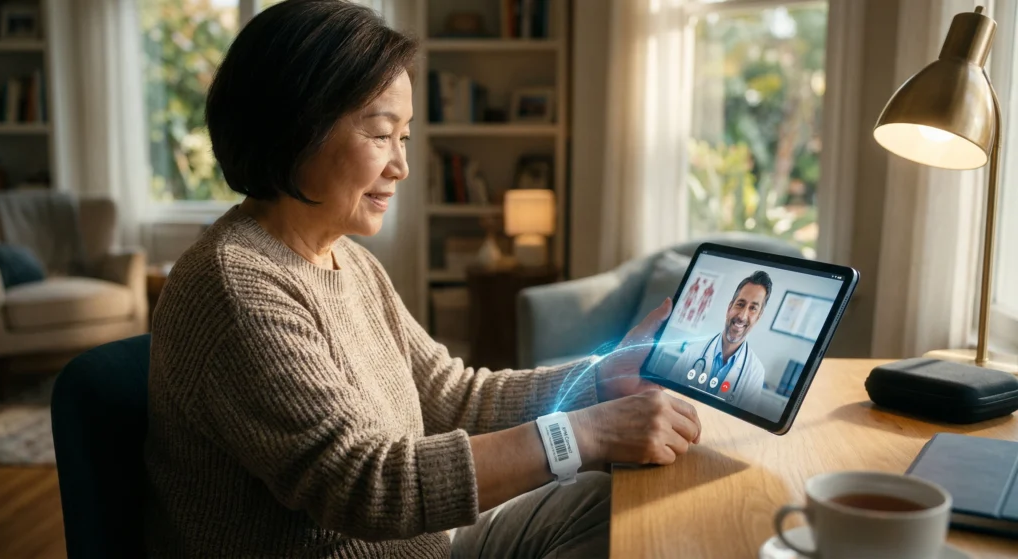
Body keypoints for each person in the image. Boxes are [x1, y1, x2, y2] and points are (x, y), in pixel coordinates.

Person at [143, 2, 702, 558]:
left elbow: (450, 398)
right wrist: (587, 434)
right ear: (296, 127)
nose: (401, 166)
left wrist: (602, 379)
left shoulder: (347, 259)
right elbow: (368, 486)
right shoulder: (236, 287)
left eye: (404, 137)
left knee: (611, 508)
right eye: (381, 134)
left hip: (434, 550)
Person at [667, 271, 772, 415]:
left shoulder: (756, 372)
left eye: (753, 308)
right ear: (729, 308)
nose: (742, 316)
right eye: (740, 304)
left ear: (758, 317)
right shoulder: (693, 351)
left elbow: (742, 424)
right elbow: (667, 399)